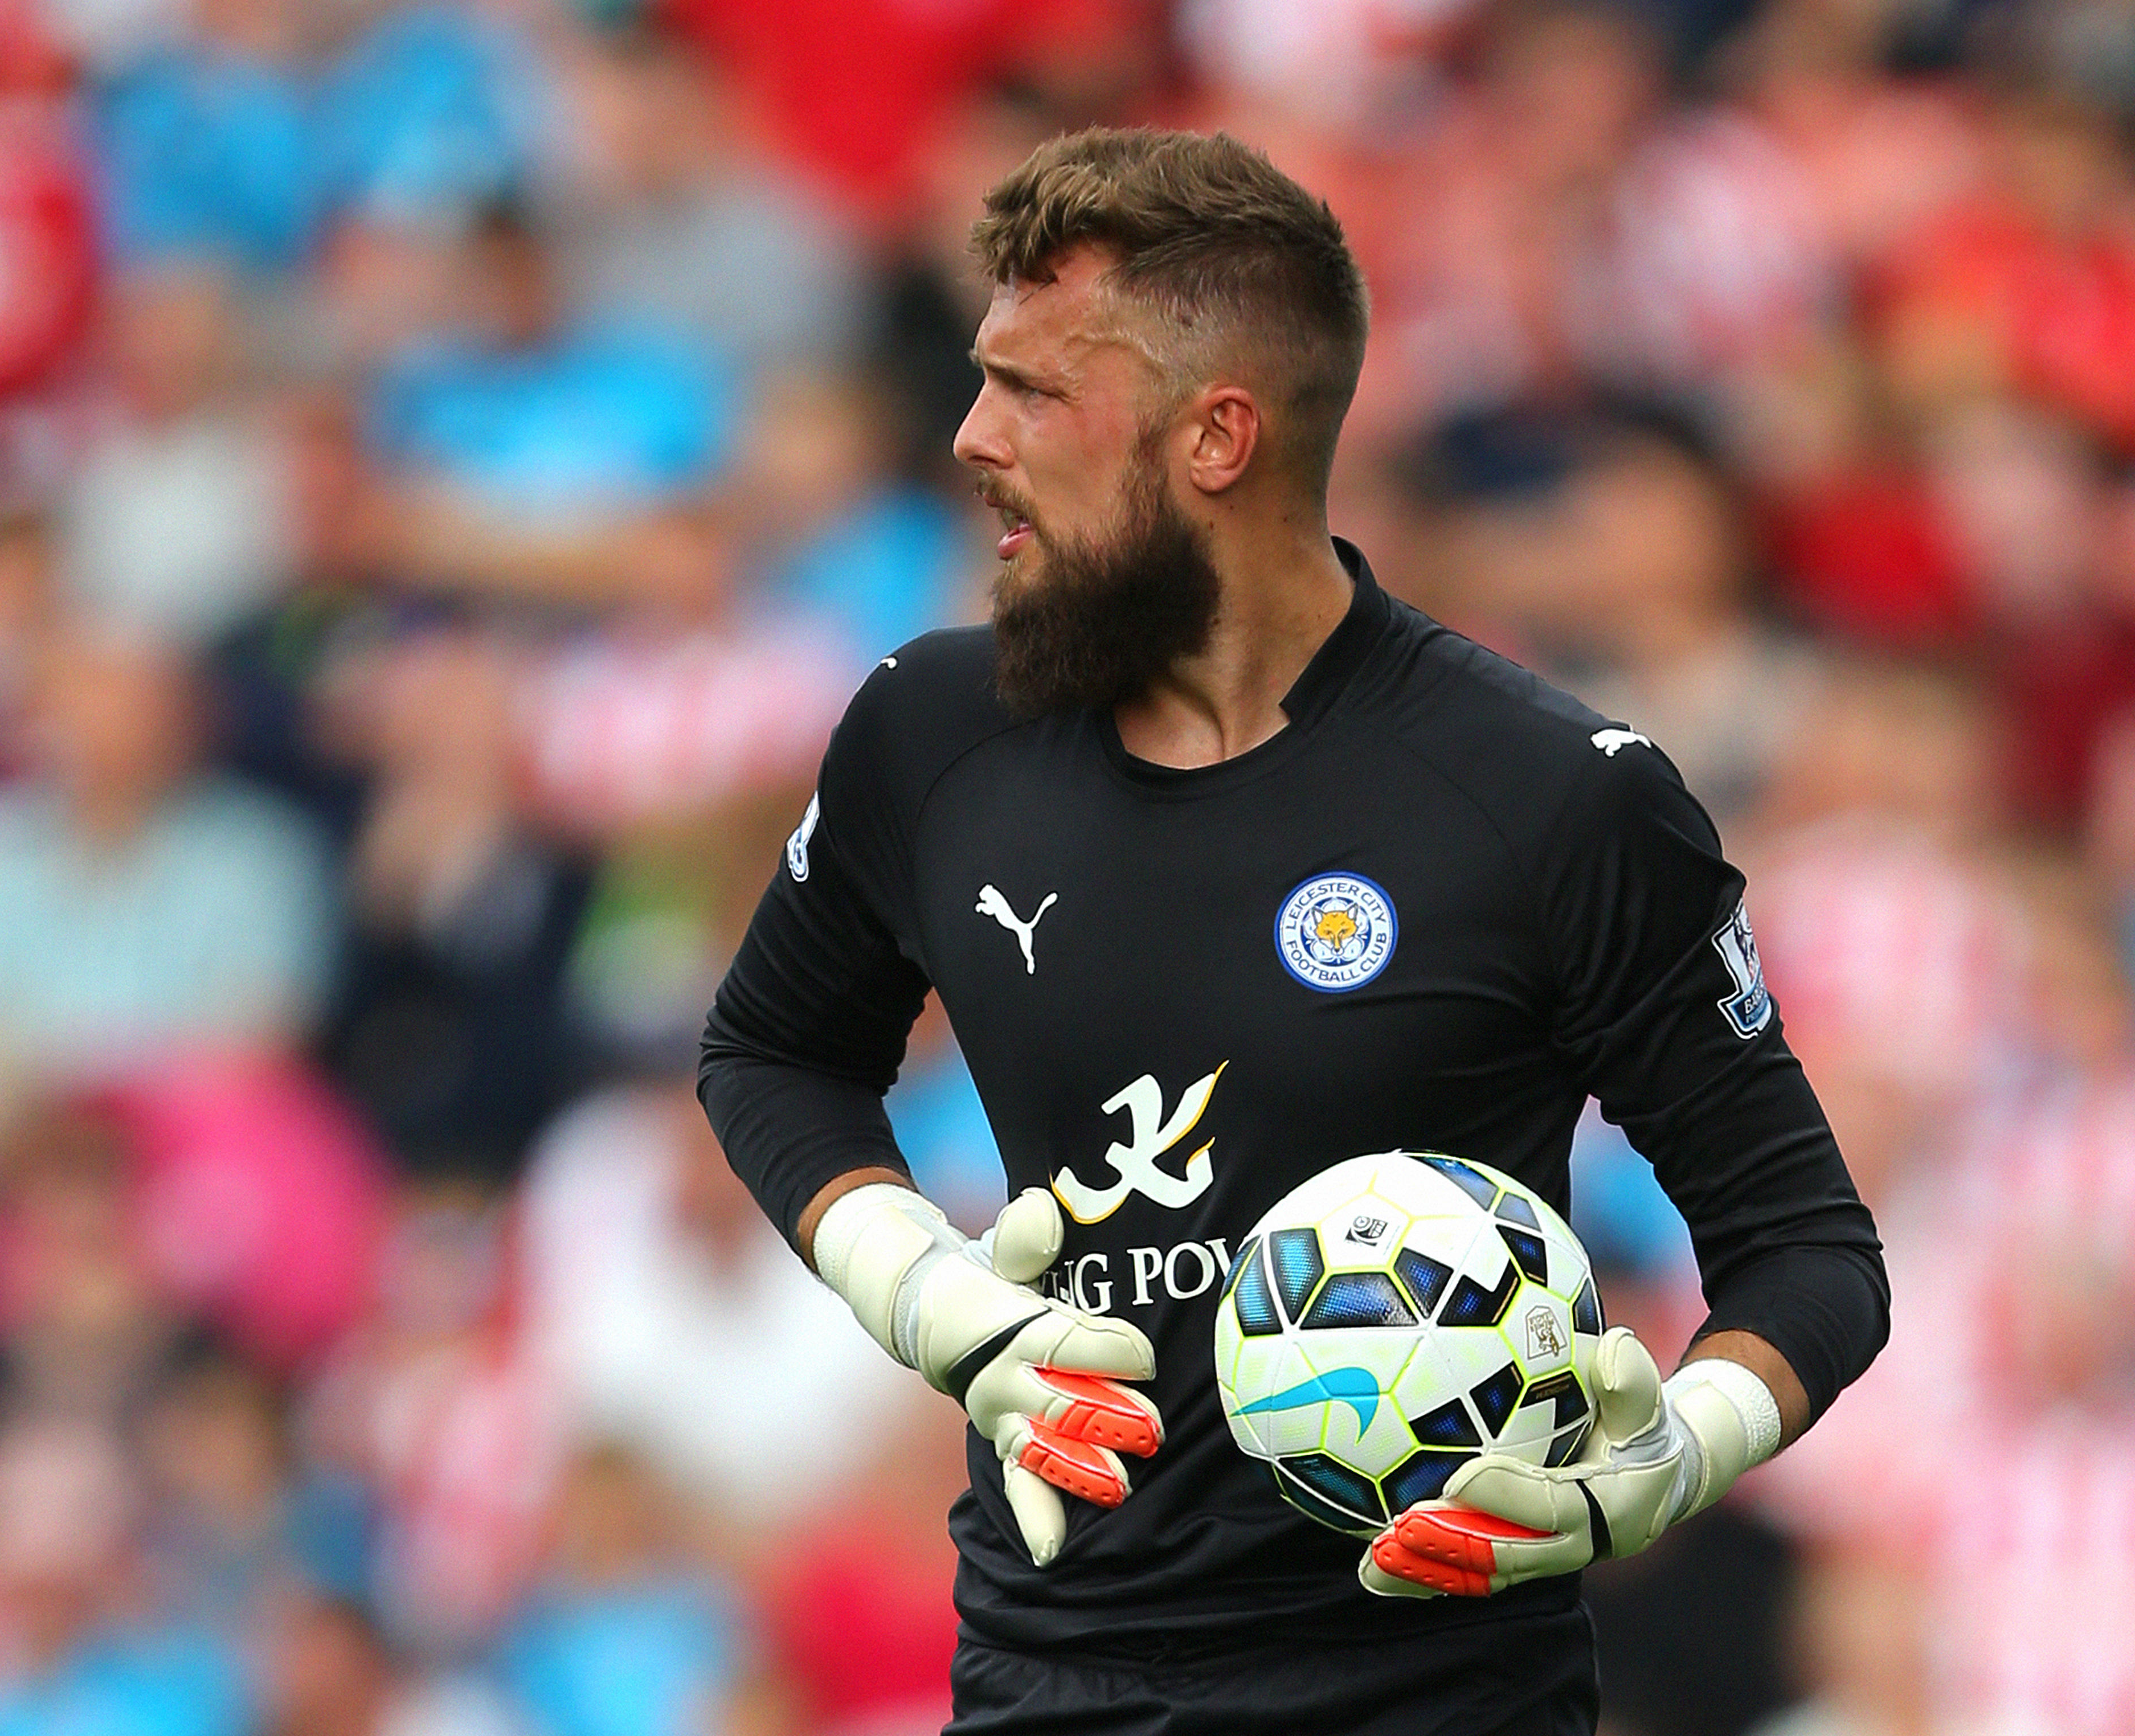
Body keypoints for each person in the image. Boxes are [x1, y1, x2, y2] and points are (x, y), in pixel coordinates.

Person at [697, 127, 1889, 1735]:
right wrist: (913, 1283)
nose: (974, 439)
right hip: (1051, 1688)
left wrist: (1668, 1463)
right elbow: (773, 1046)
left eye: (1036, 393)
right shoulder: (930, 736)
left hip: (1439, 1697)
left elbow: (1808, 1249)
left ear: (1217, 437)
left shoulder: (1547, 796)